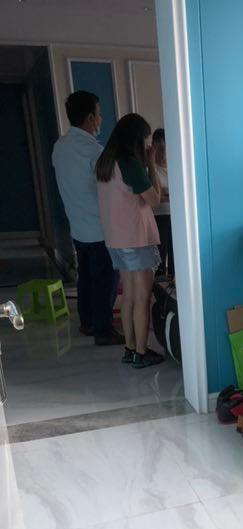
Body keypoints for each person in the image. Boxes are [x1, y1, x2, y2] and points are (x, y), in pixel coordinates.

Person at [52, 90, 123, 346]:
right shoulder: (94, 150)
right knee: (105, 280)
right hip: (100, 228)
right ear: (91, 117)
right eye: (99, 115)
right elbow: (110, 187)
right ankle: (103, 330)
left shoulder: (59, 147)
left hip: (78, 227)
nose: (101, 120)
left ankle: (87, 322)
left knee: (86, 277)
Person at [95, 113, 164, 369]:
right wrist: (151, 165)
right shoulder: (129, 163)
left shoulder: (105, 162)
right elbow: (154, 199)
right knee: (142, 298)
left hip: (116, 240)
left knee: (128, 296)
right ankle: (141, 353)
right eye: (145, 139)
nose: (147, 144)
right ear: (135, 138)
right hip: (136, 239)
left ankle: (130, 349)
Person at [151, 128, 174, 277]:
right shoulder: (151, 167)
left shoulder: (174, 166)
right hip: (158, 215)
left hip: (175, 214)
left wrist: (164, 193)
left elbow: (177, 192)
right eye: (159, 148)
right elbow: (155, 195)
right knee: (160, 254)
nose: (163, 153)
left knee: (175, 254)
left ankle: (174, 282)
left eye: (165, 148)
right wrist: (164, 193)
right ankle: (159, 282)